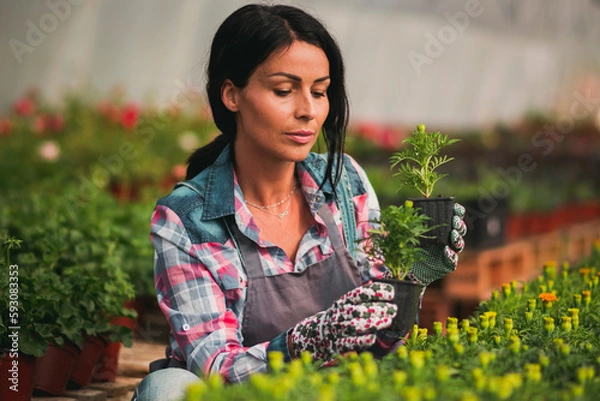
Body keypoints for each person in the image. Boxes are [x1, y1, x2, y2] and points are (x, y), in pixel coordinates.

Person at [132, 4, 466, 401]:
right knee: (169, 388)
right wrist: (305, 343)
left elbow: (381, 333)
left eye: (320, 91)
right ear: (232, 94)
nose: (308, 110)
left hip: (340, 391)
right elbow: (216, 369)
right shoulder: (188, 220)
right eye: (284, 91)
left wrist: (412, 278)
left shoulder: (344, 182)